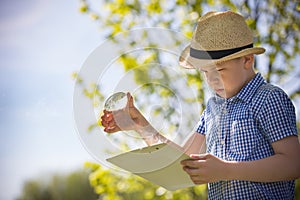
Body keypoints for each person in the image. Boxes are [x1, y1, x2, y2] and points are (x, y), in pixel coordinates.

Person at [101, 11, 300, 199]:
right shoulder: (212, 109)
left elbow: (293, 163)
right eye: (205, 72)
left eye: (219, 69)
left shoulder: (268, 98)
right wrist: (140, 126)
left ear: (247, 60)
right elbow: (183, 161)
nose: (211, 80)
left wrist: (227, 170)